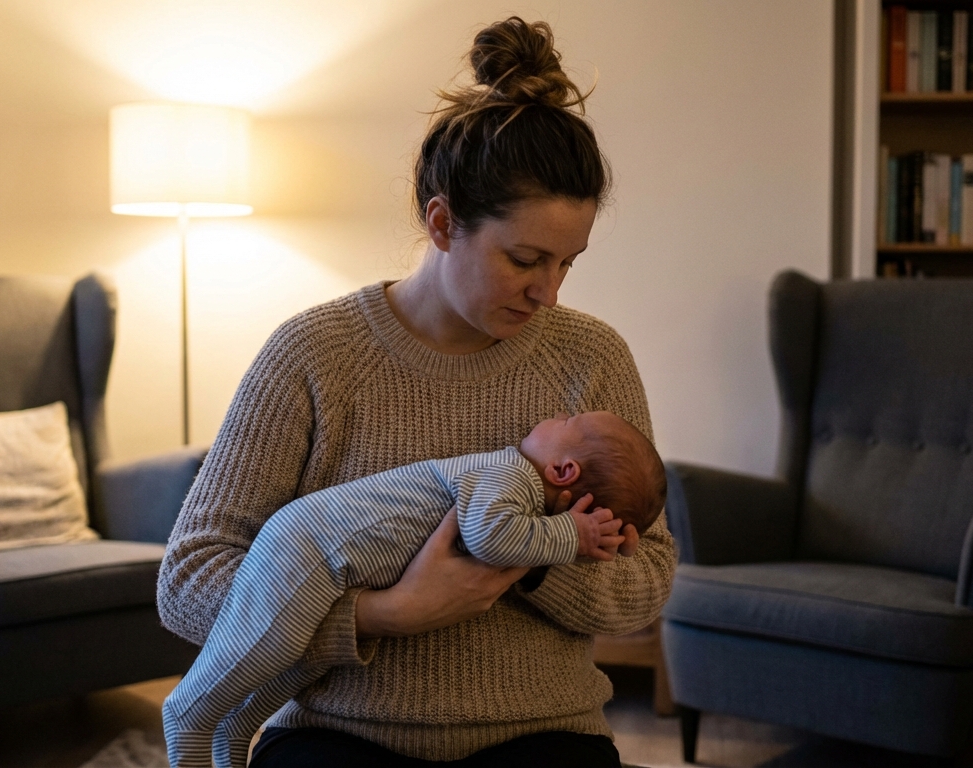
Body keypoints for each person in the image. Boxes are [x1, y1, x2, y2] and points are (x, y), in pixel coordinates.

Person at [157, 15, 677, 768]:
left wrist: (523, 562)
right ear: (442, 222)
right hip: (340, 735)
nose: (548, 295)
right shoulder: (314, 354)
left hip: (545, 734)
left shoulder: (591, 358)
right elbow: (191, 578)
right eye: (526, 259)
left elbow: (645, 583)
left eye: (568, 263)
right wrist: (381, 616)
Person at [163, 411, 667, 768]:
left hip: (326, 556)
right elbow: (487, 535)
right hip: (311, 548)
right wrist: (569, 535)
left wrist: (576, 544)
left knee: (292, 666)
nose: (555, 415)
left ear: (564, 470)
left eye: (567, 422)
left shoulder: (520, 481)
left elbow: (497, 535)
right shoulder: (505, 473)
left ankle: (232, 730)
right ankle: (188, 714)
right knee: (255, 655)